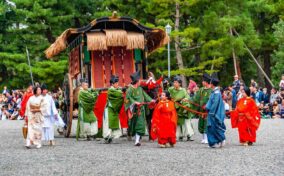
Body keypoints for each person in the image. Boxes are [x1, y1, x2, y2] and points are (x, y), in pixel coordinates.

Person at [125, 71, 154, 146]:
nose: (141, 81)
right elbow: (127, 99)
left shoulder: (140, 89)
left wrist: (151, 100)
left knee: (140, 124)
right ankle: (135, 138)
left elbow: (145, 96)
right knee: (133, 124)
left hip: (140, 109)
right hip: (133, 110)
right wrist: (134, 102)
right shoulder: (130, 89)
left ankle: (137, 141)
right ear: (137, 81)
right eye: (140, 80)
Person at [168, 75, 194, 142]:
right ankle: (179, 135)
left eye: (176, 82)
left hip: (183, 106)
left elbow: (187, 97)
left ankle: (189, 135)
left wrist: (185, 100)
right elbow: (168, 95)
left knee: (186, 121)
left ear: (179, 83)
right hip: (175, 107)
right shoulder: (171, 89)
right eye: (174, 82)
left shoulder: (183, 90)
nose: (175, 84)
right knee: (177, 122)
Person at [140, 72, 163, 140]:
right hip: (147, 103)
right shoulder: (144, 85)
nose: (150, 77)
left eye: (151, 76)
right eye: (149, 76)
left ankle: (156, 133)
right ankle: (149, 134)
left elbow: (160, 91)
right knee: (148, 119)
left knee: (156, 119)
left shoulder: (157, 84)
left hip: (155, 101)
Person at [189, 73, 211, 143]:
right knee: (201, 123)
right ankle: (204, 137)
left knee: (207, 124)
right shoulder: (201, 90)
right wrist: (189, 101)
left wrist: (208, 105)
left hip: (209, 111)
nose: (202, 82)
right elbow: (195, 98)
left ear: (206, 82)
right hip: (202, 110)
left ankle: (207, 138)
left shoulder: (211, 90)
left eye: (203, 81)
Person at [205, 74, 226, 148]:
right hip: (213, 113)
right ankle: (219, 141)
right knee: (214, 128)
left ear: (212, 84)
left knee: (213, 128)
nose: (209, 84)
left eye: (210, 83)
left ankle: (216, 142)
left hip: (214, 114)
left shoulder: (216, 93)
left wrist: (211, 112)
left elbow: (215, 104)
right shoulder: (215, 92)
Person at [103, 75, 124, 143]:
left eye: (118, 83)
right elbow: (119, 94)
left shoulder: (116, 89)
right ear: (112, 84)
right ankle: (107, 136)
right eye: (116, 83)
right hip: (109, 109)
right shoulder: (111, 89)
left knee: (114, 122)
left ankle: (111, 136)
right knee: (108, 123)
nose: (118, 85)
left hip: (114, 109)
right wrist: (121, 90)